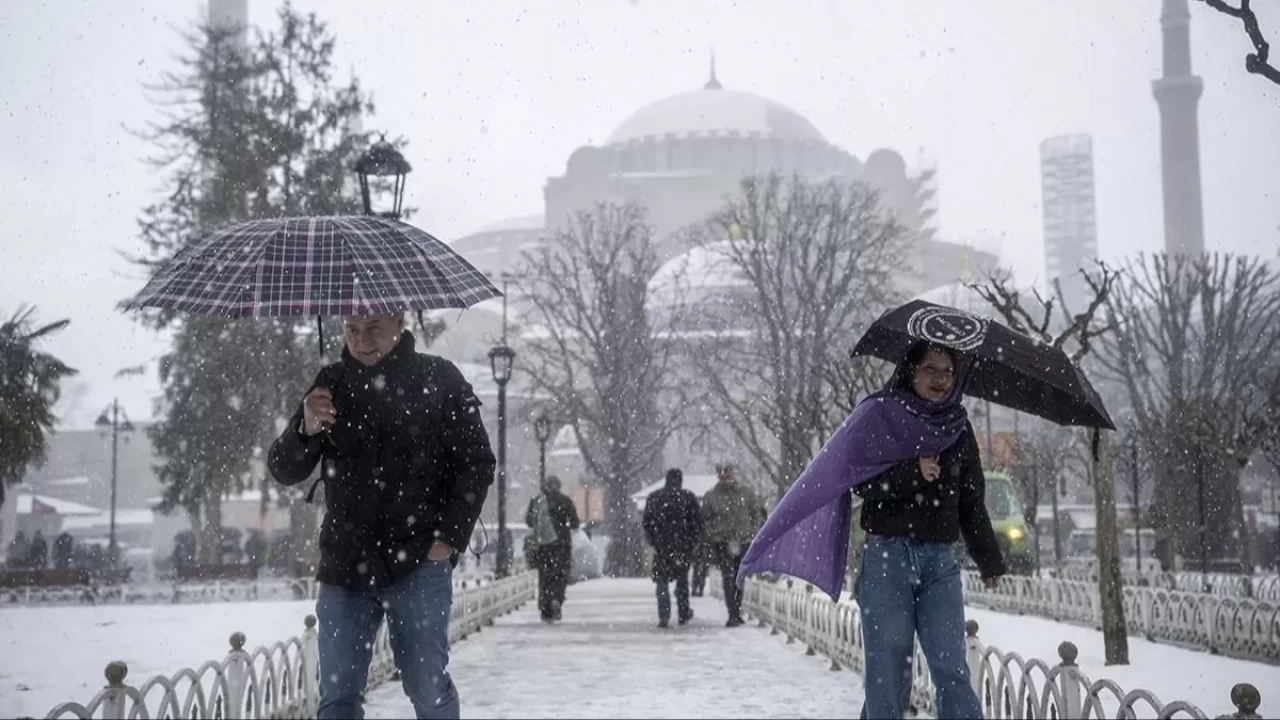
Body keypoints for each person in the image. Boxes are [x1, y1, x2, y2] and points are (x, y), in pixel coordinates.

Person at [737, 341, 1005, 719]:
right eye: (931, 369)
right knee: (888, 672)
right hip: (887, 558)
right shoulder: (882, 416)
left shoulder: (957, 426)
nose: (941, 379)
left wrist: (989, 559)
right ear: (910, 370)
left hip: (939, 562)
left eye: (948, 371)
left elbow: (971, 499)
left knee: (950, 667)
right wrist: (912, 473)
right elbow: (859, 482)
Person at [268, 314, 495, 720]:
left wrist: (448, 538)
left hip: (419, 561)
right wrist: (305, 427)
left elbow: (476, 463)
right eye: (351, 330)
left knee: (426, 687)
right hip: (344, 566)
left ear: (399, 321)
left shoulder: (438, 377)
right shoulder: (329, 385)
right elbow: (286, 469)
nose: (361, 341)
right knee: (337, 697)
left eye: (373, 328)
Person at [701, 463, 766, 627]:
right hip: (722, 542)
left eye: (728, 476)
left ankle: (737, 609)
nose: (725, 480)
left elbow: (756, 513)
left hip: (743, 540)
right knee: (728, 576)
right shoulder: (711, 496)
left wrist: (753, 532)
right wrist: (713, 534)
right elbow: (705, 520)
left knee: (739, 576)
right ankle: (732, 612)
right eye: (722, 477)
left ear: (732, 475)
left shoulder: (746, 493)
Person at [642, 468, 703, 627]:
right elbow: (696, 523)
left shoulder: (654, 498)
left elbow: (647, 523)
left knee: (662, 582)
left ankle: (664, 615)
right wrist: (691, 543)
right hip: (682, 547)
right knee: (682, 582)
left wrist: (654, 541)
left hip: (662, 548)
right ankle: (683, 613)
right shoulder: (688, 498)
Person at [524, 474, 579, 622]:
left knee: (545, 576)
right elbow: (575, 523)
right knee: (560, 575)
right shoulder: (566, 501)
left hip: (543, 545)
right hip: (562, 544)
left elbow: (529, 521)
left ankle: (545, 606)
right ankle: (557, 600)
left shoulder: (537, 501)